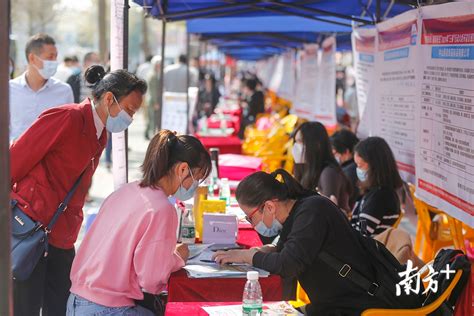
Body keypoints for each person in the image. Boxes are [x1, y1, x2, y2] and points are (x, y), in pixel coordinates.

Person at [10, 65, 147, 316]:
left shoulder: (101, 134)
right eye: (129, 110)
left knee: (60, 306)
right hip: (31, 227)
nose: (131, 118)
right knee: (24, 307)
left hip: (62, 234)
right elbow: (13, 161)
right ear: (109, 98)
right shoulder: (67, 117)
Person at [67, 130, 211, 315]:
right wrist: (177, 258)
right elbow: (152, 280)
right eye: (197, 178)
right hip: (109, 308)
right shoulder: (161, 209)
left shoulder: (126, 191)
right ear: (182, 169)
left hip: (77, 301)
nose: (195, 185)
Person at [212, 169, 392, 315]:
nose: (251, 224)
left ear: (269, 206)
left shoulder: (312, 211)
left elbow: (288, 264)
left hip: (357, 303)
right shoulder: (298, 212)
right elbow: (288, 250)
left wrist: (247, 256)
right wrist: (267, 250)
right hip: (334, 303)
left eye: (250, 218)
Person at [9, 33, 74, 142]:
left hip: (52, 157)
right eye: (50, 57)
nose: (54, 62)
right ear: (32, 58)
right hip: (18, 156)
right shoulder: (9, 90)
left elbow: (69, 130)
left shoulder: (64, 91)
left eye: (56, 57)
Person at [292, 122, 352, 213]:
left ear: (317, 144)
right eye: (295, 142)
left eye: (300, 142)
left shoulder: (328, 173)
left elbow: (326, 213)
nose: (296, 147)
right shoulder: (306, 170)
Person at [351, 137, 403, 237]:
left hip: (366, 250)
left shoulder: (379, 197)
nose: (358, 169)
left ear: (374, 166)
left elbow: (362, 234)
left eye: (360, 165)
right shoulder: (376, 192)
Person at [330, 129, 360, 209]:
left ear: (346, 151)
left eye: (335, 153)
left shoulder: (349, 171)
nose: (334, 156)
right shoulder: (351, 166)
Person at [144, 55, 162, 139]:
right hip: (152, 100)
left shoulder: (153, 74)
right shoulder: (153, 75)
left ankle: (147, 133)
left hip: (150, 99)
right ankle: (152, 136)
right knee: (153, 119)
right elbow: (153, 90)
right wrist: (155, 102)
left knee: (151, 118)